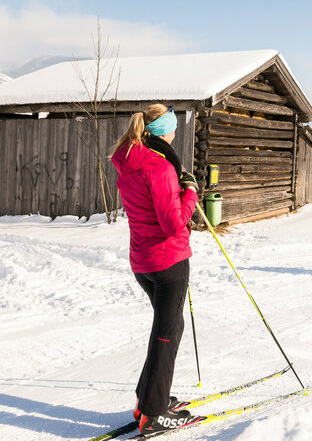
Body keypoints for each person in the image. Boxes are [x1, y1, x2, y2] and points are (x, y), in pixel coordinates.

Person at [110, 104, 203, 435]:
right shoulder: (159, 168)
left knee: (168, 328)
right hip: (168, 261)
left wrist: (178, 187)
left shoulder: (132, 159)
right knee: (167, 335)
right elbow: (172, 223)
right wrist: (190, 193)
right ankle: (153, 413)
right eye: (174, 128)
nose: (176, 133)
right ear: (164, 130)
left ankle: (147, 399)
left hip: (143, 262)